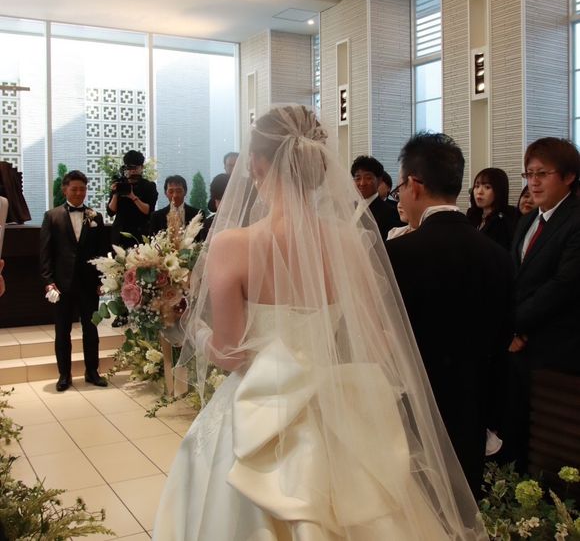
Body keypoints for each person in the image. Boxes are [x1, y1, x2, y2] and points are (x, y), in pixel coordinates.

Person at [153, 107, 488, 540]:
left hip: (258, 407)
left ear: (256, 164)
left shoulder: (232, 246)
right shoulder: (349, 241)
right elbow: (381, 340)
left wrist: (195, 331)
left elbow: (231, 354)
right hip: (337, 405)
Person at [385, 132, 513, 496]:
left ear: (414, 185)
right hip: (472, 409)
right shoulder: (498, 256)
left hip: (411, 411)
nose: (400, 197)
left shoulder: (397, 255)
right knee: (462, 507)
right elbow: (503, 337)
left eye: (399, 188)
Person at [506, 137, 580, 471]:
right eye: (529, 174)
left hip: (556, 347)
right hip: (519, 346)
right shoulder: (527, 220)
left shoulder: (575, 221)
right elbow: (515, 278)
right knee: (518, 429)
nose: (533, 182)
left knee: (551, 444)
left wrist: (517, 325)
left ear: (568, 176)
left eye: (542, 174)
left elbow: (564, 285)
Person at [39, 170, 108, 392]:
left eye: (83, 189)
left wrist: (102, 280)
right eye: (75, 188)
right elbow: (45, 253)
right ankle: (64, 375)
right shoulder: (52, 216)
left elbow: (102, 252)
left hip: (88, 283)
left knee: (91, 329)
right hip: (62, 284)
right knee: (62, 331)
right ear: (65, 189)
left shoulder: (95, 217)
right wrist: (48, 281)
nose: (79, 193)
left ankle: (92, 371)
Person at [107, 150, 158, 248]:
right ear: (125, 168)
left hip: (140, 233)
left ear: (142, 167)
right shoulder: (120, 184)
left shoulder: (149, 186)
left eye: (136, 167)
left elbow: (148, 211)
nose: (133, 171)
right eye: (130, 167)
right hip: (120, 233)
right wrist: (115, 194)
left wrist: (133, 196)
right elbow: (111, 212)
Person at [350, 155, 402, 242]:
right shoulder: (349, 207)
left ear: (379, 180)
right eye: (358, 178)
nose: (362, 183)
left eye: (368, 178)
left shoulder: (389, 212)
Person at [466, 167, 516, 250]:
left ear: (499, 191)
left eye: (487, 187)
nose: (479, 192)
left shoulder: (502, 221)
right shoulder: (472, 215)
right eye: (477, 186)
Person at [198, 172, 229, 242]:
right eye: (218, 200)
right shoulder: (207, 224)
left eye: (226, 199)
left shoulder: (246, 222)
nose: (222, 204)